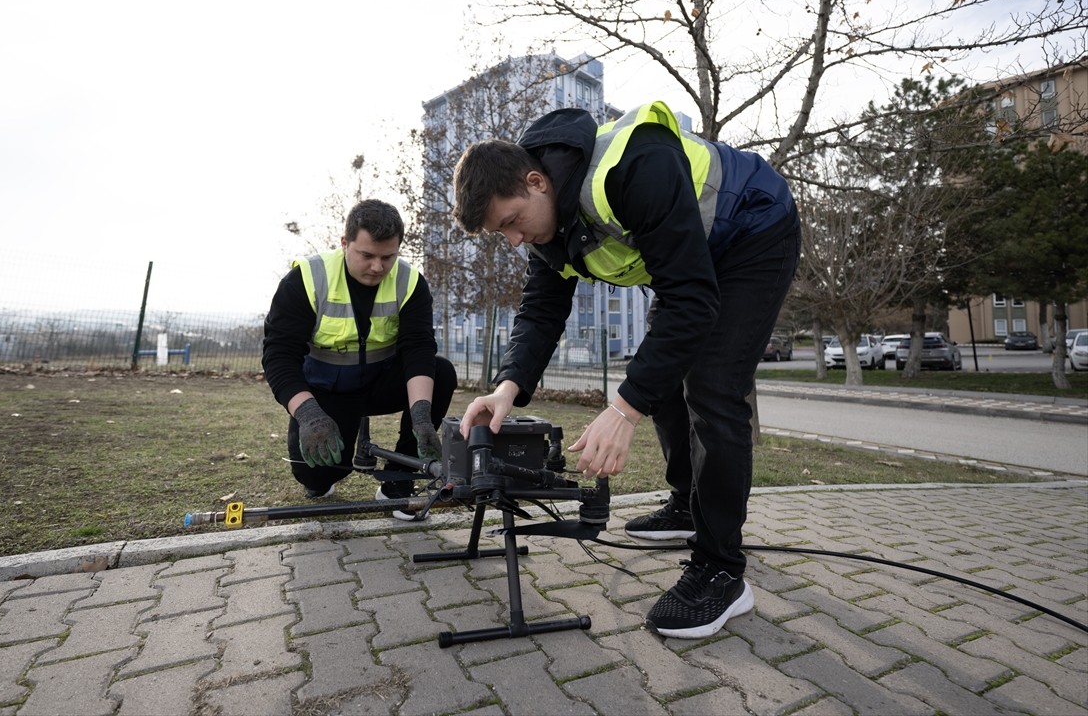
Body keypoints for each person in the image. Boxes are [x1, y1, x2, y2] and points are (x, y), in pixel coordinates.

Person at [453, 101, 800, 638]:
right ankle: (687, 505)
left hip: (754, 229)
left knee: (713, 386)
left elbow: (692, 303)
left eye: (512, 222)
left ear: (536, 182)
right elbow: (541, 310)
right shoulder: (548, 224)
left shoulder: (634, 166)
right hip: (692, 262)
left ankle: (721, 571)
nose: (515, 240)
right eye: (503, 234)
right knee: (661, 374)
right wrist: (506, 389)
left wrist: (623, 410)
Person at [263, 199, 457, 520]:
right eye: (367, 255)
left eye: (387, 257)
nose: (378, 267)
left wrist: (422, 415)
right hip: (327, 392)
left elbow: (418, 348)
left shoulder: (410, 283)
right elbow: (279, 355)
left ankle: (398, 481)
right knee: (316, 477)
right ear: (345, 243)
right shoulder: (306, 279)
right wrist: (308, 415)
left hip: (382, 384)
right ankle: (320, 473)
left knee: (442, 372)